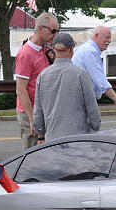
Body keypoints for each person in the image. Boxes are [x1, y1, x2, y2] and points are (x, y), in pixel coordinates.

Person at [33, 33, 101, 143]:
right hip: (78, 138)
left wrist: (41, 135)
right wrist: (95, 127)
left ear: (54, 50)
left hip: (52, 140)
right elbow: (92, 108)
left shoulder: (43, 76)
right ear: (71, 49)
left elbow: (38, 111)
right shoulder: (81, 74)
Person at [15, 12, 58, 150]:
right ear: (40, 29)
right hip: (31, 112)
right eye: (53, 31)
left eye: (57, 30)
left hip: (45, 111)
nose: (55, 34)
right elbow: (21, 90)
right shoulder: (25, 54)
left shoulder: (46, 49)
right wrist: (32, 118)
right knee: (32, 155)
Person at [72, 25, 116, 111]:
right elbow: (101, 81)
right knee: (94, 123)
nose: (109, 41)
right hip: (82, 102)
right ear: (96, 35)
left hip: (78, 99)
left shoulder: (83, 49)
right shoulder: (90, 51)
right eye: (107, 37)